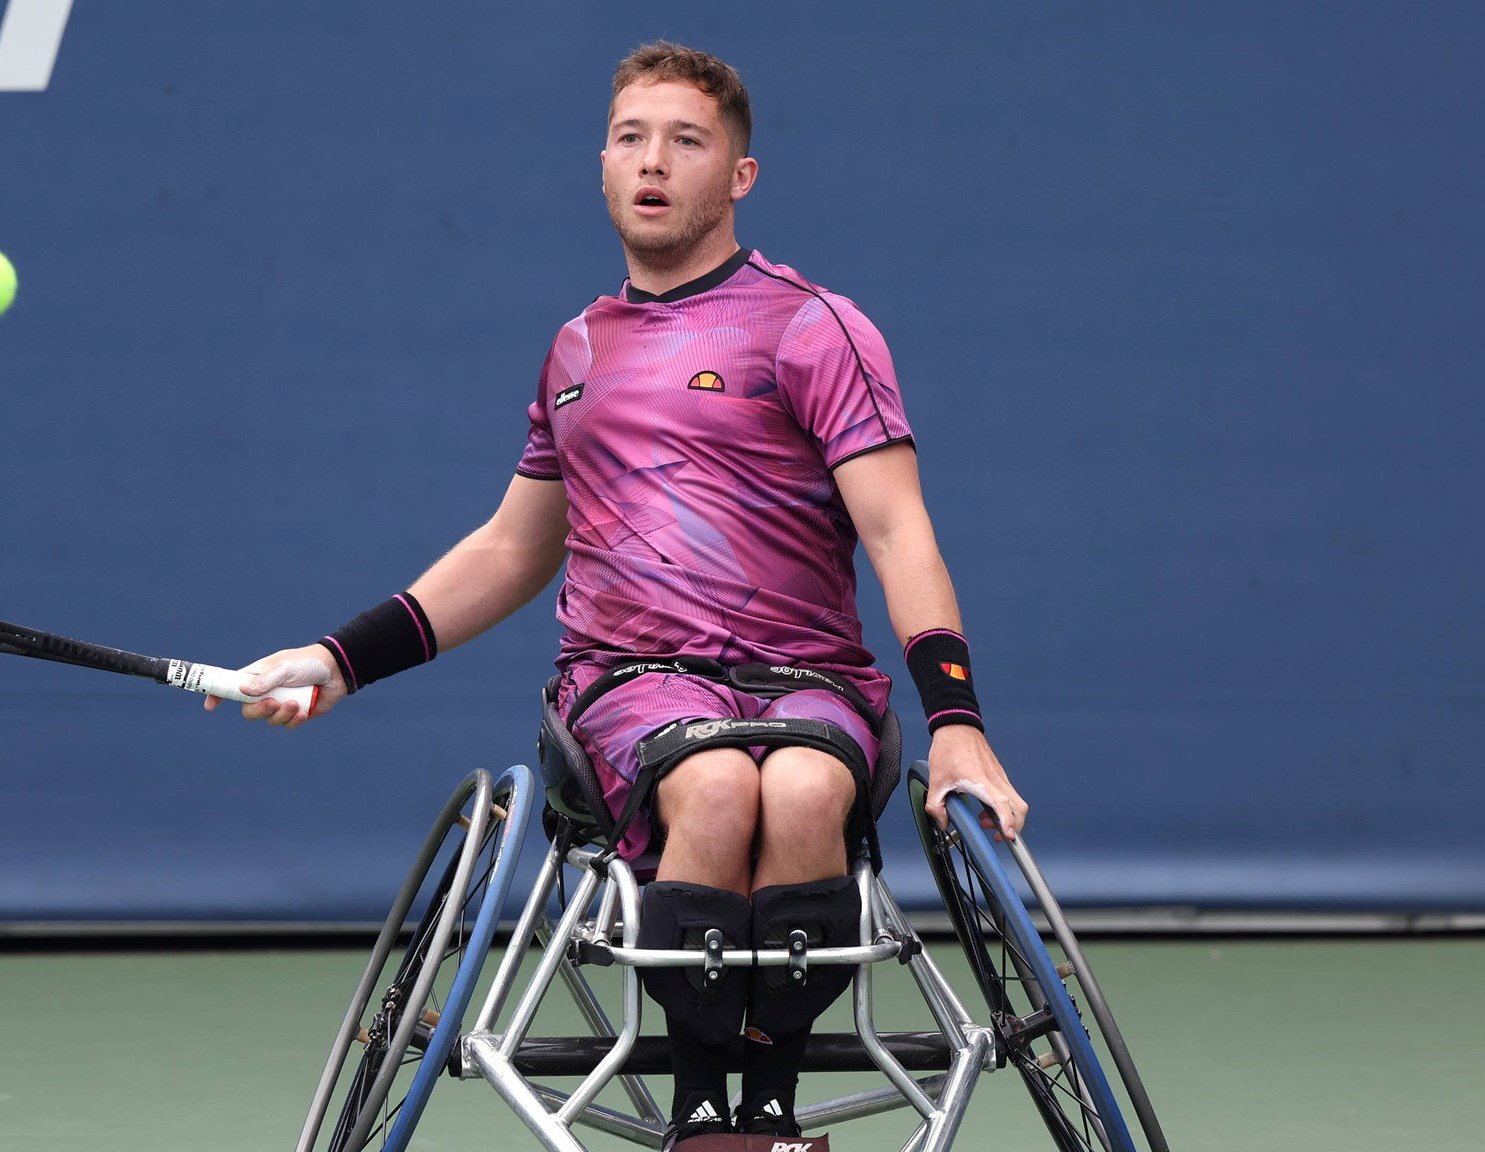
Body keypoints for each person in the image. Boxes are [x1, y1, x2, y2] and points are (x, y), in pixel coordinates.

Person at [208, 41, 1028, 1151]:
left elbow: (896, 529)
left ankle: (768, 1118)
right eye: (631, 139)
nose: (653, 163)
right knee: (717, 789)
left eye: (686, 142)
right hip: (629, 688)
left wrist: (960, 730)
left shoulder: (814, 327)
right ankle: (701, 1120)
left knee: (792, 792)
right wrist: (337, 658)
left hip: (808, 683)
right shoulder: (576, 349)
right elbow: (511, 549)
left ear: (737, 175)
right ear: (601, 165)